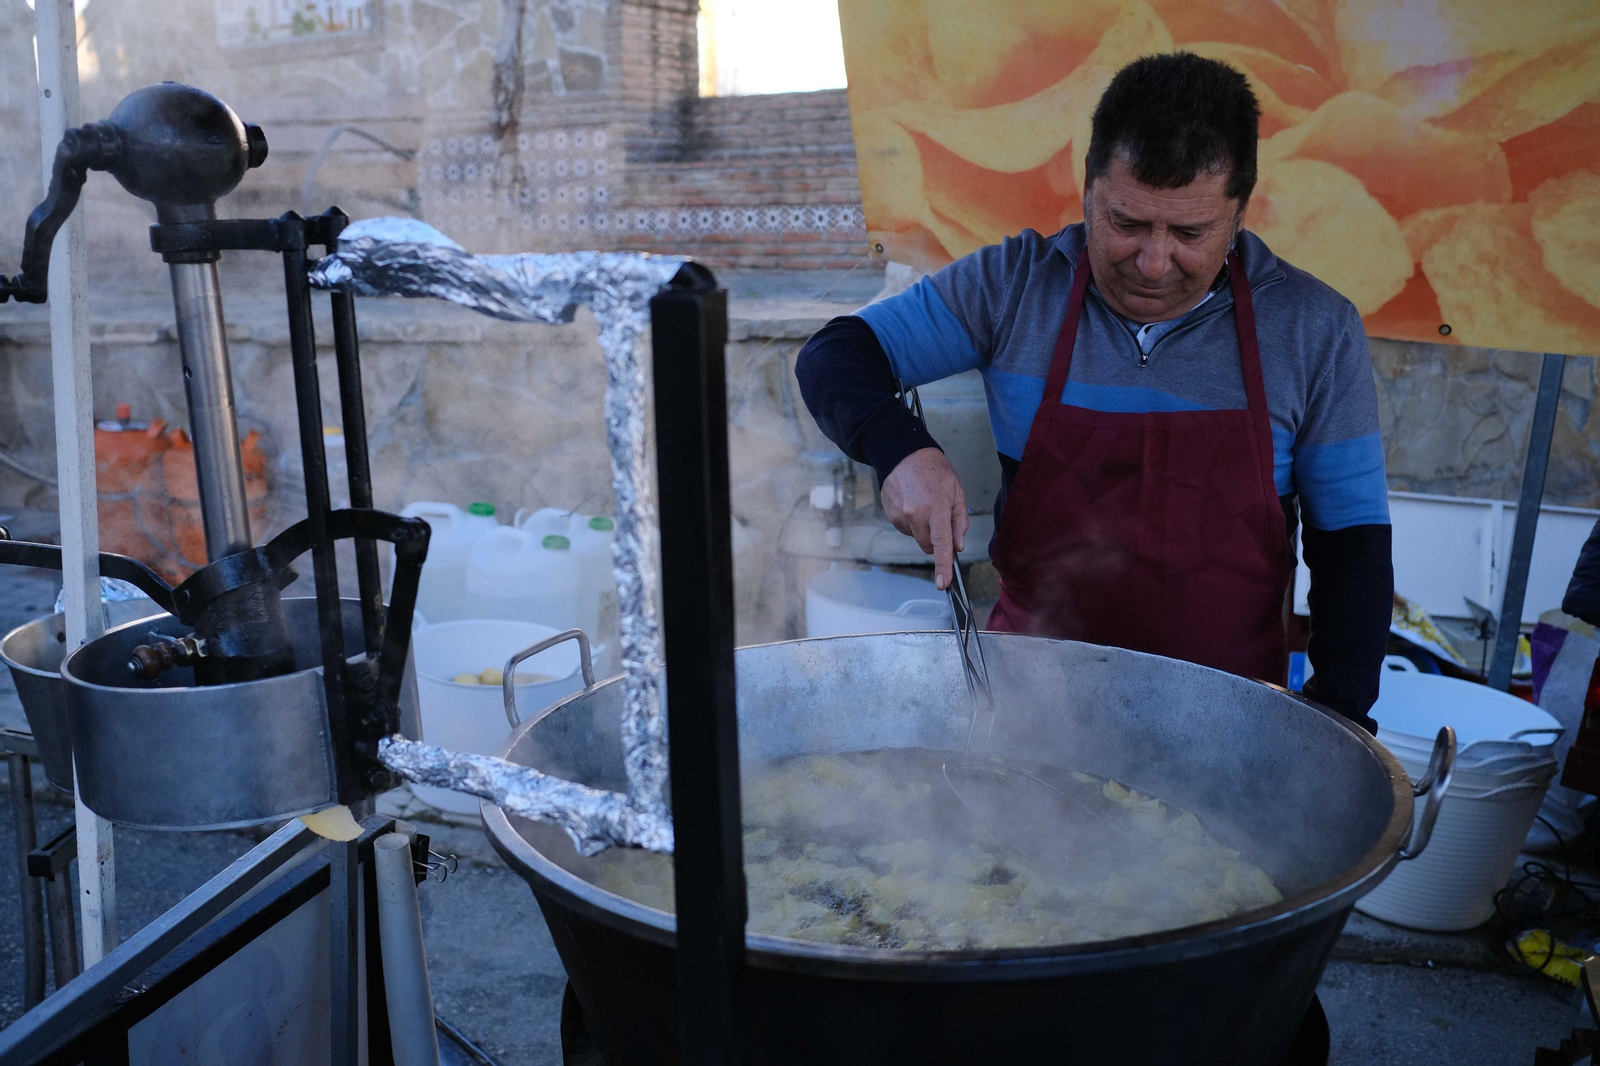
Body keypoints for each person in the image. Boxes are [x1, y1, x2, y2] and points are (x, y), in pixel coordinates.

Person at [797, 53, 1393, 731]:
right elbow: (834, 355)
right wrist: (901, 450)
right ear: (1087, 191)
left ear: (1239, 212)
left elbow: (1353, 546)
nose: (1154, 261)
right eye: (1127, 223)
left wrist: (1340, 720)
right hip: (1026, 711)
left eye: (1190, 233)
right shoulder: (1014, 286)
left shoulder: (1314, 328)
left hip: (1227, 730)